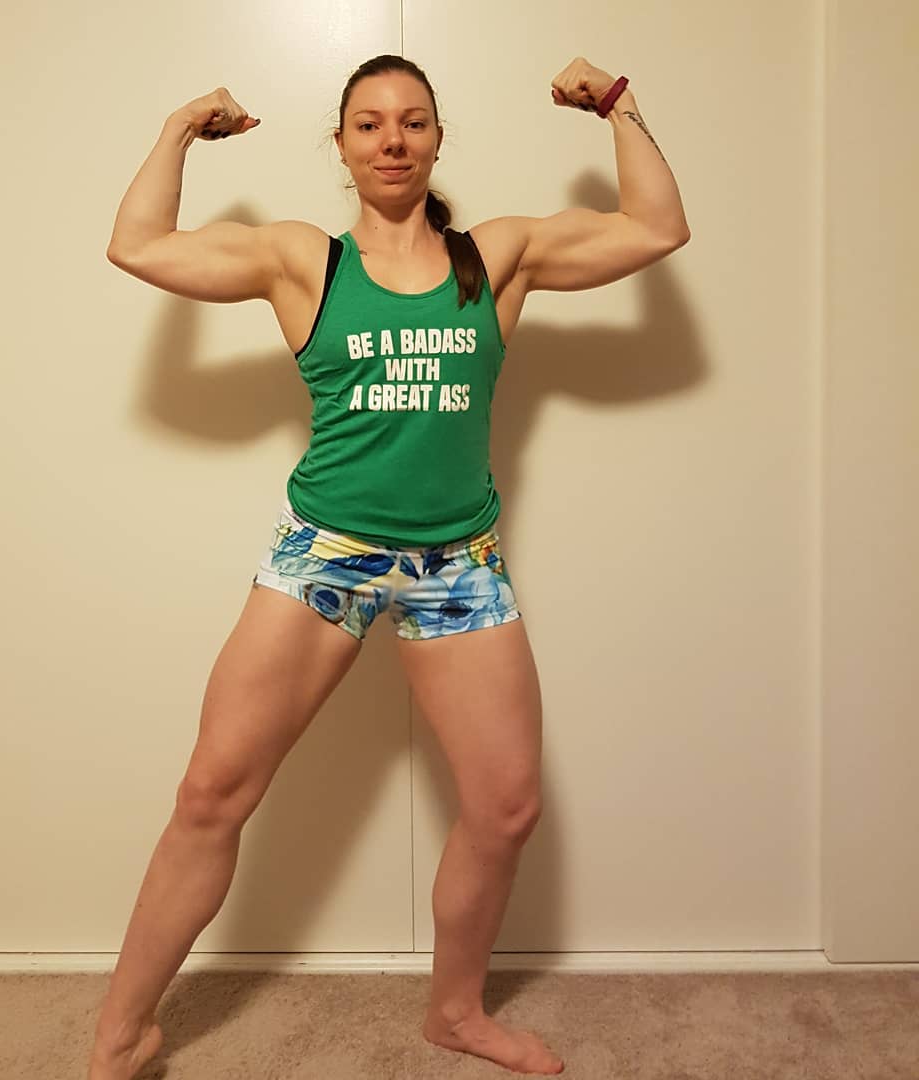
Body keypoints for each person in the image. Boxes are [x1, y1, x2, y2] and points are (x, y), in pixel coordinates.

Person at [91, 54, 690, 1080]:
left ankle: (455, 1014)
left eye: (413, 121)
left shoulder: (495, 258)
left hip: (459, 562)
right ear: (342, 145)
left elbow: (656, 228)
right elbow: (137, 245)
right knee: (212, 792)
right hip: (326, 552)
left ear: (438, 138)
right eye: (369, 124)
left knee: (506, 806)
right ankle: (121, 1035)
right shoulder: (304, 262)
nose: (393, 140)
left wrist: (618, 105)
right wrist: (183, 125)